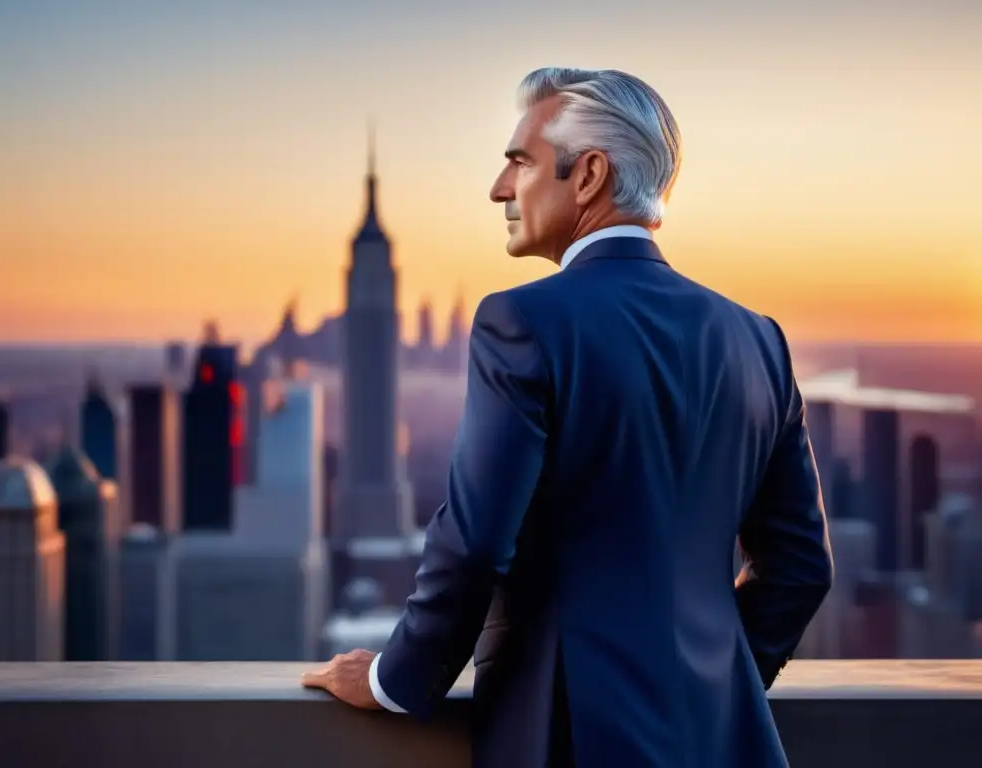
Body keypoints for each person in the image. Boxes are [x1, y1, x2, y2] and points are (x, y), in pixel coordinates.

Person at [302, 66, 833, 768]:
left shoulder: (523, 320)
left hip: (571, 739)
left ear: (587, 177)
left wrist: (390, 678)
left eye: (519, 161)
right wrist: (712, 683)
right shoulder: (756, 337)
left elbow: (476, 540)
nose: (499, 187)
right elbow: (799, 567)